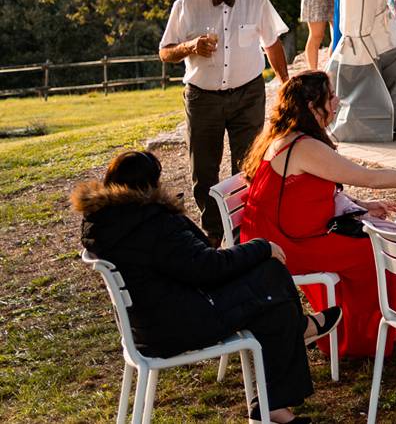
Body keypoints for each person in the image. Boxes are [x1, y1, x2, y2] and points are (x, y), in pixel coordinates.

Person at [75, 150, 333, 424]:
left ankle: (275, 403)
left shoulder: (103, 220)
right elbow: (206, 269)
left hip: (149, 322)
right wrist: (261, 247)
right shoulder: (152, 222)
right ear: (150, 184)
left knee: (273, 300)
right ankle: (298, 334)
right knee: (271, 277)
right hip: (178, 325)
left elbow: (189, 265)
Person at [239, 70, 396, 358]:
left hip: (282, 235)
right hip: (282, 246)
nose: (336, 101)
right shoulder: (303, 145)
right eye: (330, 96)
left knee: (376, 243)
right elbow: (368, 177)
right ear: (312, 107)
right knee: (375, 251)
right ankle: (362, 341)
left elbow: (310, 190)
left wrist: (360, 205)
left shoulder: (296, 138)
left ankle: (374, 333)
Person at [159, 0, 288, 244]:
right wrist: (190, 47)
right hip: (203, 98)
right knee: (204, 171)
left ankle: (245, 235)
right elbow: (165, 52)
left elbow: (272, 43)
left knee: (247, 166)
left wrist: (284, 82)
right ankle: (215, 236)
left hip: (248, 94)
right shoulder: (187, 4)